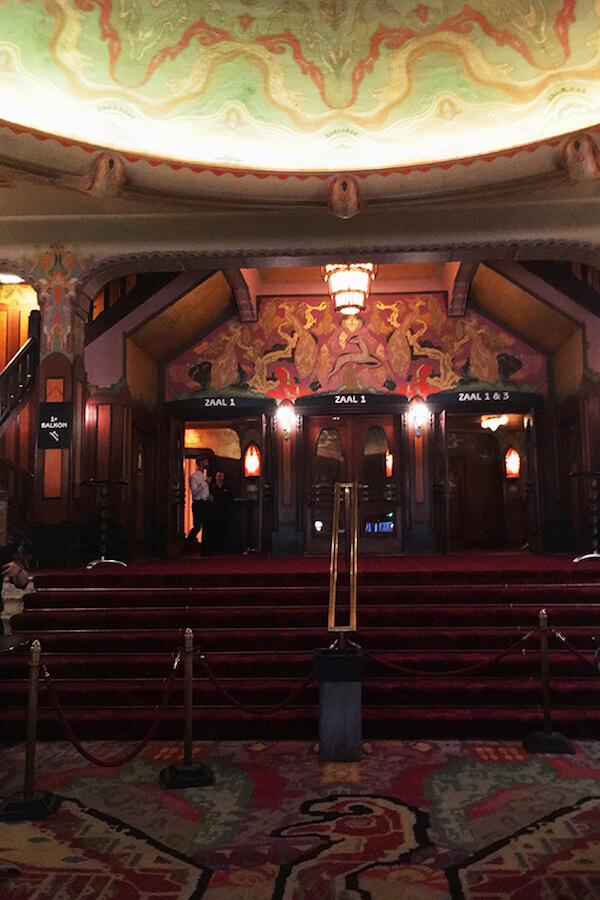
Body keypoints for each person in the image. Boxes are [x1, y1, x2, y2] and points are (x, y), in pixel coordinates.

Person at [187, 456, 212, 550]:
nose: (207, 463)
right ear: (201, 462)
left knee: (207, 526)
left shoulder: (204, 476)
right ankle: (188, 545)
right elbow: (194, 491)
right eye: (206, 461)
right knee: (197, 526)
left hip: (205, 503)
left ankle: (205, 549)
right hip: (198, 503)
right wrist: (205, 483)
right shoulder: (194, 477)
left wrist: (209, 496)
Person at [206, 471, 233, 554]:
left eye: (221, 476)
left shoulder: (226, 486)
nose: (220, 477)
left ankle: (222, 548)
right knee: (214, 529)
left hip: (224, 510)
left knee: (223, 529)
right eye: (218, 476)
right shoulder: (212, 486)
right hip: (214, 510)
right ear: (215, 477)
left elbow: (230, 497)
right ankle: (213, 548)